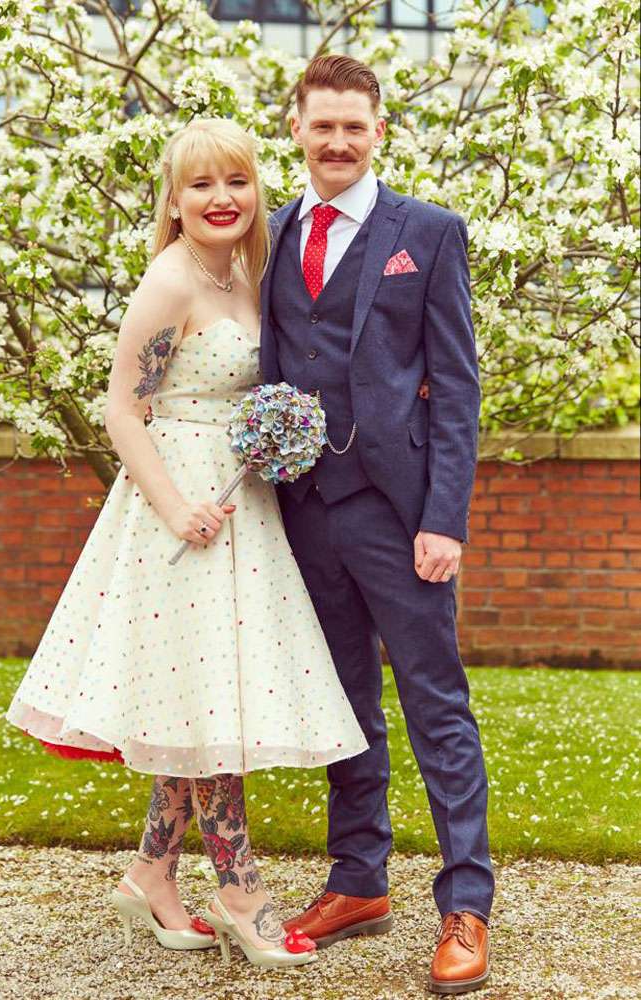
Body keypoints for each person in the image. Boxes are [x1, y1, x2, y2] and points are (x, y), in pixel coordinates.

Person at [5, 117, 368, 969]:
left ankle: (150, 875)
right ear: (174, 199)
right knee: (210, 706)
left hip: (240, 502)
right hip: (183, 506)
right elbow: (121, 410)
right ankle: (240, 891)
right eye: (201, 184)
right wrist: (175, 509)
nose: (221, 198)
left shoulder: (247, 268)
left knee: (202, 698)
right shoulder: (170, 280)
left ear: (257, 189)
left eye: (236, 181)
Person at [259, 55, 494, 994]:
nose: (338, 142)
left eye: (354, 126)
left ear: (379, 132)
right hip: (304, 509)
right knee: (344, 702)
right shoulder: (274, 233)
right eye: (322, 125)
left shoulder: (427, 232)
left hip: (400, 518)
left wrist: (445, 520)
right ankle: (358, 879)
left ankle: (466, 904)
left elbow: (457, 388)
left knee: (436, 703)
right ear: (297, 130)